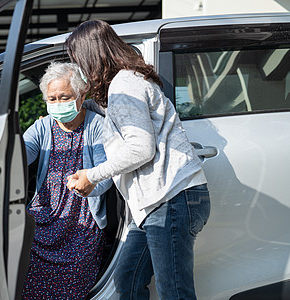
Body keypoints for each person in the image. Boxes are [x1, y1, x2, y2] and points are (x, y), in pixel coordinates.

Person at [65, 20, 211, 299]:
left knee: (175, 293)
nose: (80, 69)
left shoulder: (125, 85)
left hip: (171, 200)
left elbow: (141, 148)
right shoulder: (125, 83)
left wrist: (92, 174)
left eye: (79, 61)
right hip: (155, 205)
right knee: (128, 280)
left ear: (91, 56)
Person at [21, 61, 113, 299]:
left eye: (65, 97)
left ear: (82, 95)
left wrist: (89, 185)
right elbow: (20, 153)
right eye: (52, 99)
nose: (58, 104)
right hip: (43, 219)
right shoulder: (42, 127)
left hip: (82, 224)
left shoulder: (96, 126)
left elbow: (107, 173)